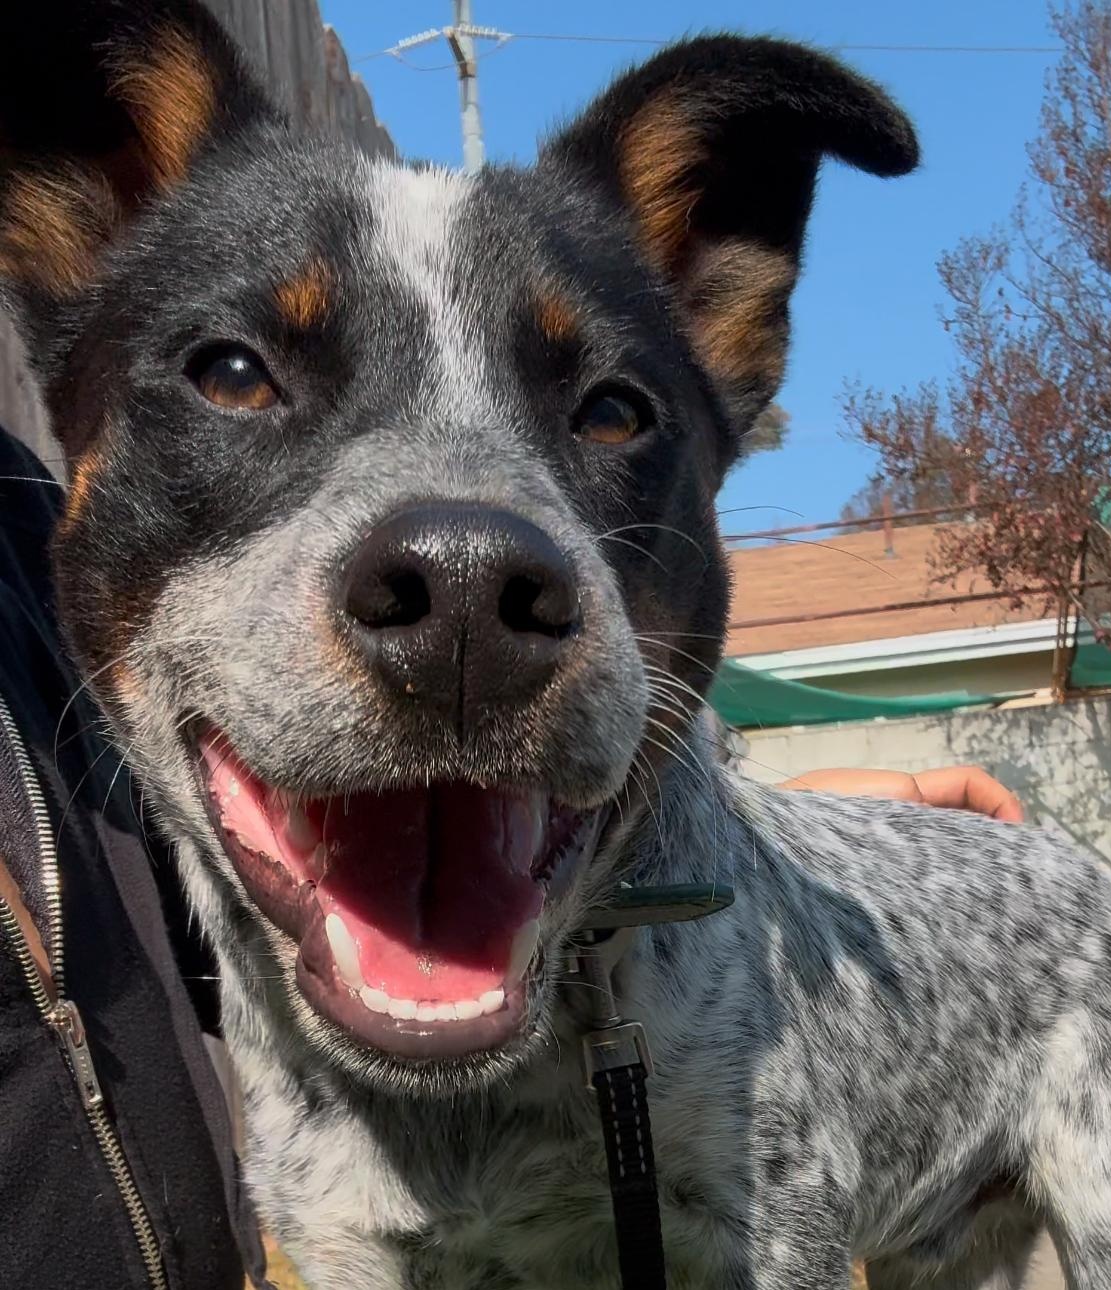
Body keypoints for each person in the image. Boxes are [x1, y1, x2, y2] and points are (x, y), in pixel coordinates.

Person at [0, 421, 1021, 1287]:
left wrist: (770, 832)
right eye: (231, 376)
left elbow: (170, 863)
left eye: (608, 413)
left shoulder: (21, 533)